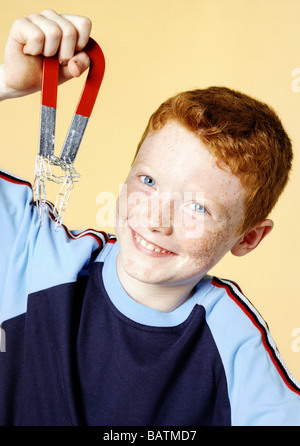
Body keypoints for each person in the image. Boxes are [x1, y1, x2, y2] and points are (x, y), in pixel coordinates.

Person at [0, 9, 299, 426]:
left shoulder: (233, 341)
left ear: (247, 238)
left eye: (198, 207)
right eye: (148, 181)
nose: (157, 220)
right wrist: (6, 83)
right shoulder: (30, 251)